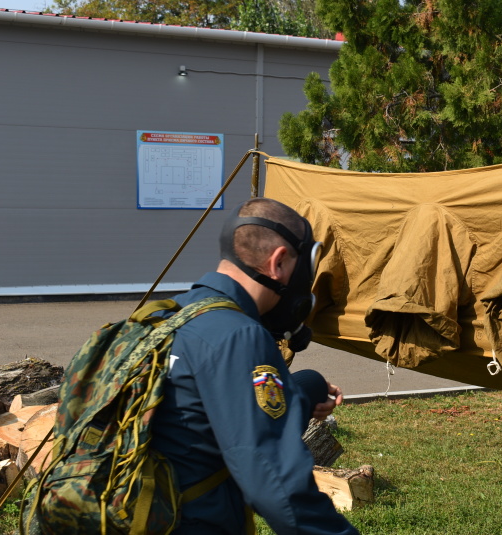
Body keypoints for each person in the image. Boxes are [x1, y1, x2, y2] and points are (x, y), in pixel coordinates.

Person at [150, 197, 359, 534]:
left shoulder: (166, 316)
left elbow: (208, 407)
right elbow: (277, 486)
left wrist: (305, 390)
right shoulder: (240, 336)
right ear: (278, 263)